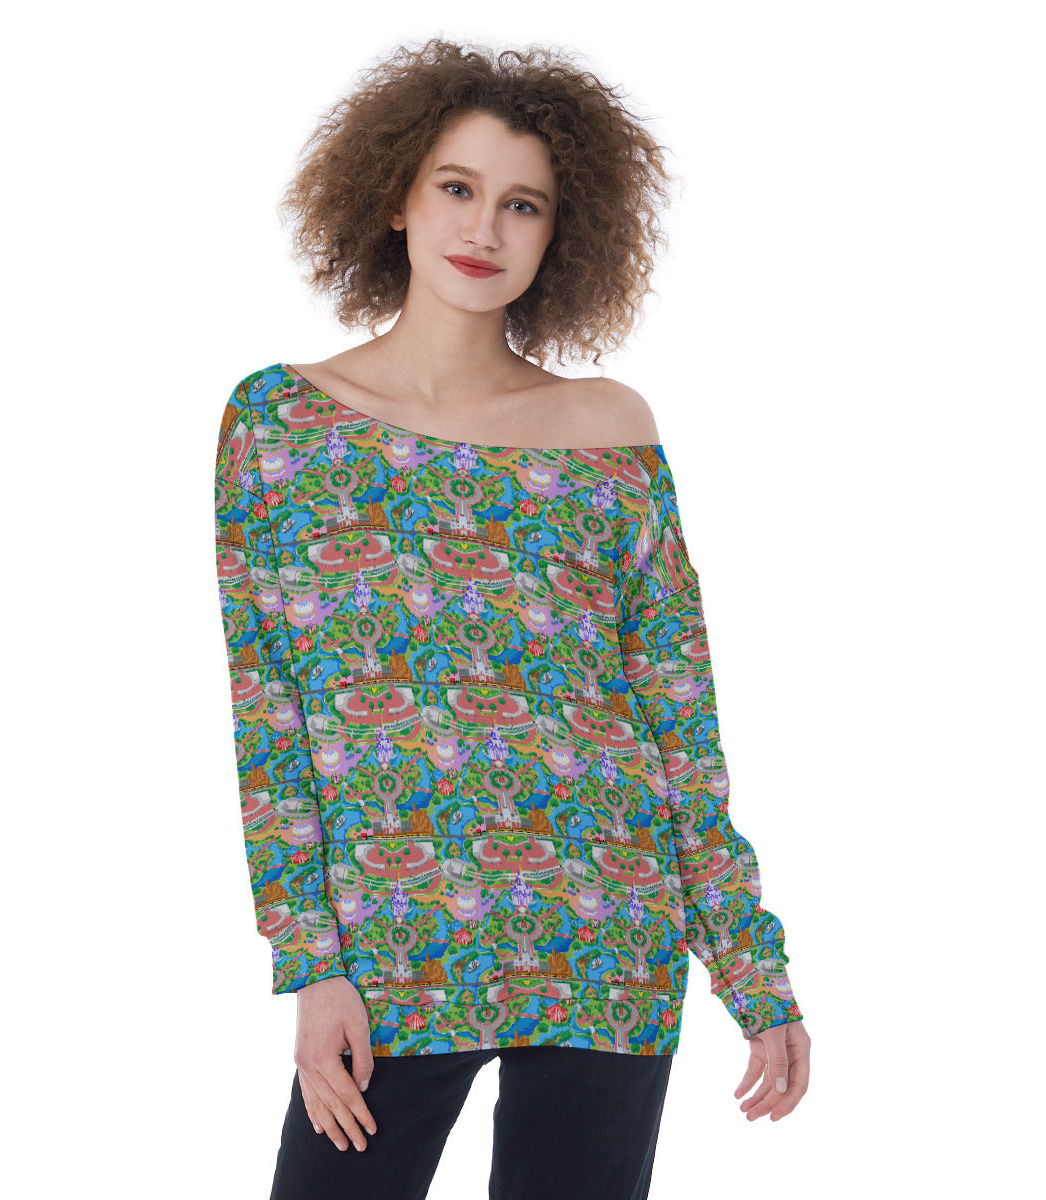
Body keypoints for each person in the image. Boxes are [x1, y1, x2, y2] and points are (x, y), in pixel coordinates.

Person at [213, 37, 811, 1200]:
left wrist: (754, 971)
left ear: (559, 234)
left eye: (522, 204)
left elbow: (677, 720)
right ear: (396, 195)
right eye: (457, 187)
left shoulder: (609, 429)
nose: (484, 228)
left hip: (607, 939)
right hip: (393, 952)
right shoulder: (282, 424)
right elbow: (269, 713)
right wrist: (310, 965)